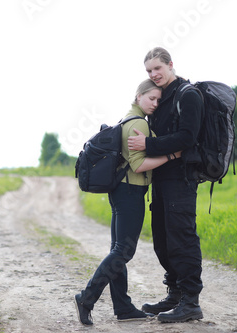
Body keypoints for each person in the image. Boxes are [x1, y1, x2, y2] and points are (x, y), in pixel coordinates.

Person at [74, 79, 182, 326]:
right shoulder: (138, 124)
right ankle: (86, 298)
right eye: (151, 98)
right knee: (124, 251)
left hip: (120, 191)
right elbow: (138, 164)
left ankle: (123, 307)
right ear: (138, 96)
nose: (155, 104)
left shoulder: (127, 119)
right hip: (131, 192)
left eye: (158, 100)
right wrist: (172, 154)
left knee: (118, 249)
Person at [127, 47, 204, 323]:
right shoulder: (161, 98)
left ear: (171, 65)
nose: (154, 74)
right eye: (149, 71)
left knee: (182, 238)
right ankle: (174, 295)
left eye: (158, 68)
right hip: (160, 179)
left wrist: (148, 144)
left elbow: (188, 137)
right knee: (162, 239)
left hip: (181, 179)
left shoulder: (188, 95)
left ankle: (191, 301)